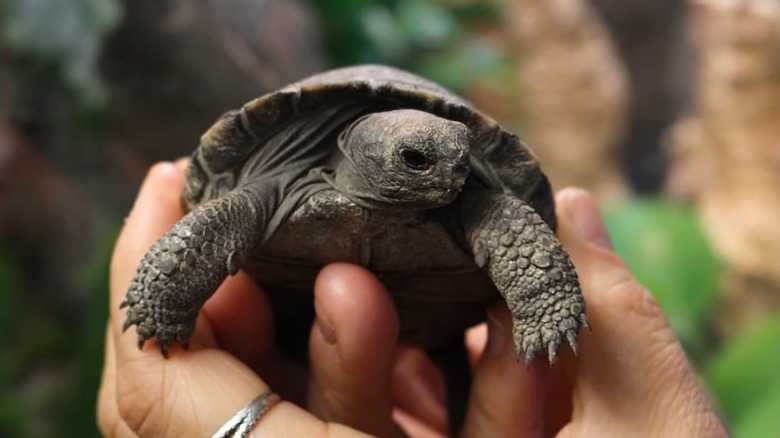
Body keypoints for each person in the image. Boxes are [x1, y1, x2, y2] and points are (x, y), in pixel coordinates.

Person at [97, 161, 729, 437]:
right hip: (294, 313)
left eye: (461, 162)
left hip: (449, 326)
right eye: (420, 161)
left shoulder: (467, 193)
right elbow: (217, 219)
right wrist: (163, 302)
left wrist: (543, 296)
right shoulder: (274, 179)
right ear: (362, 155)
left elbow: (498, 212)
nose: (452, 175)